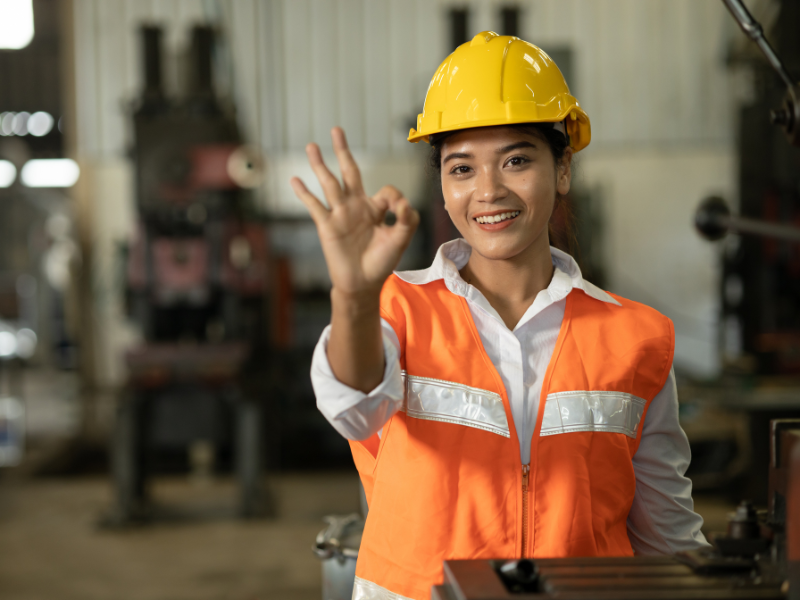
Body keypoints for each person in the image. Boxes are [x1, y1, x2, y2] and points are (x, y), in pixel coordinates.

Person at [291, 31, 709, 600]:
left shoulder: (636, 338)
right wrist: (354, 294)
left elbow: (667, 536)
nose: (488, 191)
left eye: (516, 160)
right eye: (461, 168)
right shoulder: (395, 311)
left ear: (563, 170)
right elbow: (353, 409)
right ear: (441, 185)